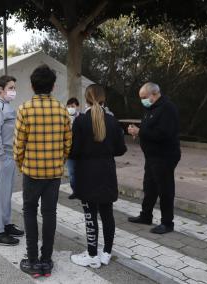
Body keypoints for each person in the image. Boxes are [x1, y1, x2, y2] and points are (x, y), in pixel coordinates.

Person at [14, 64, 72, 277]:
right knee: (50, 214)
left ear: (32, 86)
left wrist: (22, 165)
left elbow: (19, 144)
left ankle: (32, 260)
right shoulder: (61, 109)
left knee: (29, 211)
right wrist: (59, 161)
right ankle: (46, 261)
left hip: (32, 172)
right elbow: (68, 142)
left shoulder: (24, 109)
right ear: (53, 86)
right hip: (54, 173)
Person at [69, 84, 127, 269]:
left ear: (86, 99)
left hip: (86, 174)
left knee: (90, 215)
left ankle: (92, 254)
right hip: (107, 173)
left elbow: (74, 151)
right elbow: (121, 149)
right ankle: (106, 253)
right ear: (104, 99)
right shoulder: (112, 121)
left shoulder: (80, 121)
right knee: (107, 214)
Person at [127, 82, 181, 234]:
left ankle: (167, 223)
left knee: (165, 189)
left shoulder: (167, 108)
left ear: (155, 94)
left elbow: (163, 134)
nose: (142, 100)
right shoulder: (150, 108)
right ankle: (146, 216)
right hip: (151, 156)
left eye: (144, 97)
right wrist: (136, 131)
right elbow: (148, 129)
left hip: (165, 156)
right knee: (149, 186)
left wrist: (140, 132)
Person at [0, 75, 24, 246]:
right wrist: (0, 157)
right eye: (11, 87)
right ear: (1, 89)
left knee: (6, 193)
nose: (13, 91)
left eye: (14, 88)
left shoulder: (5, 105)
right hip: (0, 156)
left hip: (9, 155)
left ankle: (6, 224)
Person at [66, 97, 80, 200]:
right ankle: (75, 191)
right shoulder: (64, 118)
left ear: (77, 107)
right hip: (69, 151)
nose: (71, 108)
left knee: (81, 172)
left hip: (80, 151)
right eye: (69, 106)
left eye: (73, 106)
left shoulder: (82, 117)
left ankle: (82, 191)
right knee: (71, 173)